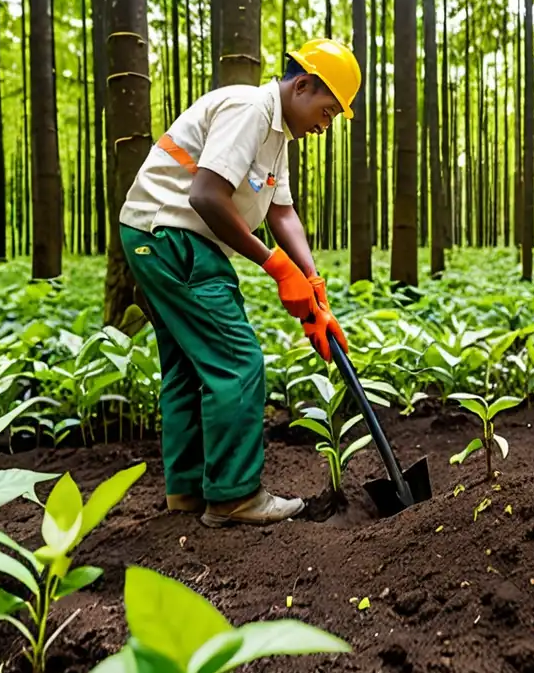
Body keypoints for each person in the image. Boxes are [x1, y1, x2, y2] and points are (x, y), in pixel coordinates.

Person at [119, 38, 359, 528]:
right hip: (175, 236)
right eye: (327, 110)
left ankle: (186, 491)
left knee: (189, 368)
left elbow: (282, 211)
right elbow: (207, 195)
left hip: (155, 235)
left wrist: (311, 279)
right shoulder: (250, 109)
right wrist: (276, 267)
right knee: (237, 360)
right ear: (303, 85)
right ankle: (235, 495)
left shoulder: (277, 134)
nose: (325, 124)